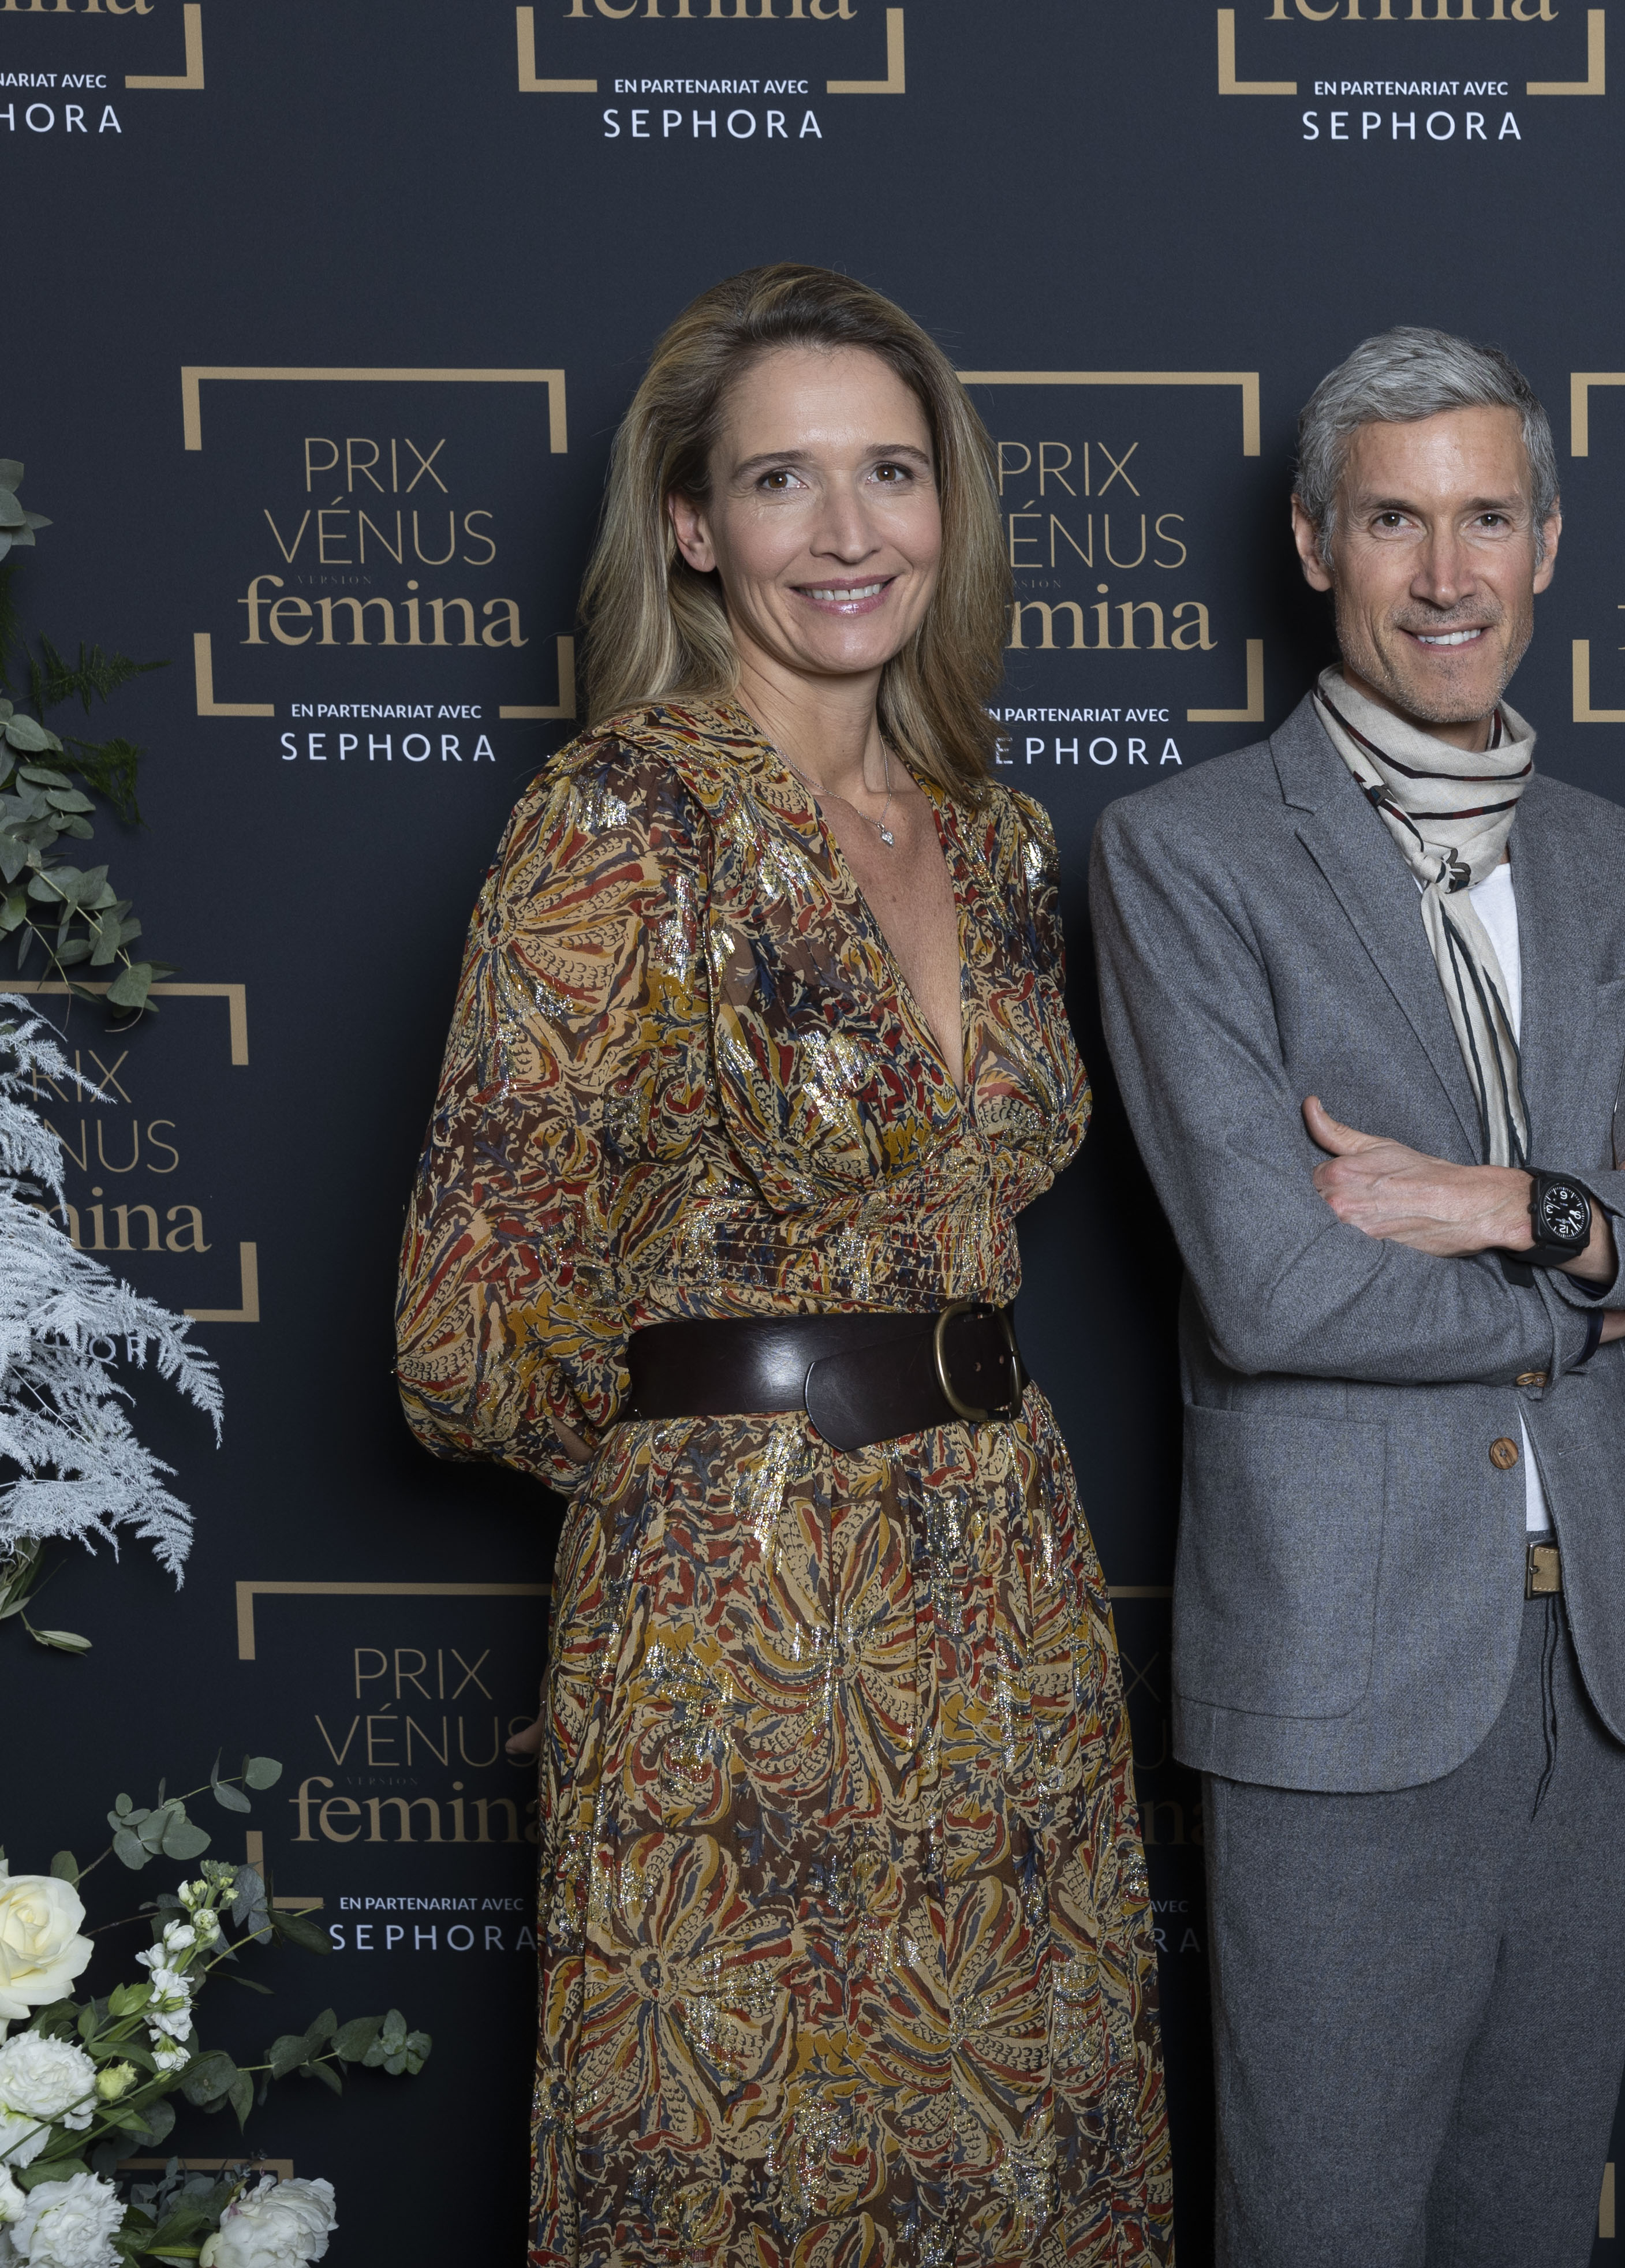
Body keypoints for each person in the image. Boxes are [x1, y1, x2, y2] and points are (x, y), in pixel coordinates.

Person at [392, 263, 1171, 2266]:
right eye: (783, 481)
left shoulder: (999, 837)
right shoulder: (616, 816)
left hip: (1005, 1582)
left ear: (950, 507)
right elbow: (470, 1327)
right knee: (748, 2167)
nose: (847, 534)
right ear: (689, 523)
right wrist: (711, 1491)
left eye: (891, 474)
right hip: (740, 1624)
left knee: (1021, 2155)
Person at [1086, 326, 1625, 2268]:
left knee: (1522, 2226)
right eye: (1398, 521)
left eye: (1487, 517)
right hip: (1346, 1667)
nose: (1447, 573)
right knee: (1322, 2226)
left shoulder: (1620, 864)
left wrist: (1514, 1206)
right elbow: (1272, 1285)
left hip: (1606, 1670)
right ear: (1316, 543)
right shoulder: (1186, 856)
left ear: (1550, 543)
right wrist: (1610, 1280)